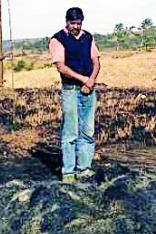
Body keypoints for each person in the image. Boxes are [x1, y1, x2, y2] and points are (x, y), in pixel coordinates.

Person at [49, 7, 101, 184]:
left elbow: (96, 61)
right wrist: (84, 79)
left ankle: (84, 168)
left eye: (79, 23)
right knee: (70, 131)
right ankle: (69, 172)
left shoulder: (88, 37)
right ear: (66, 22)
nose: (76, 27)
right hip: (71, 90)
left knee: (87, 130)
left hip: (89, 89)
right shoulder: (57, 40)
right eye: (73, 23)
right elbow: (61, 67)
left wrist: (91, 81)